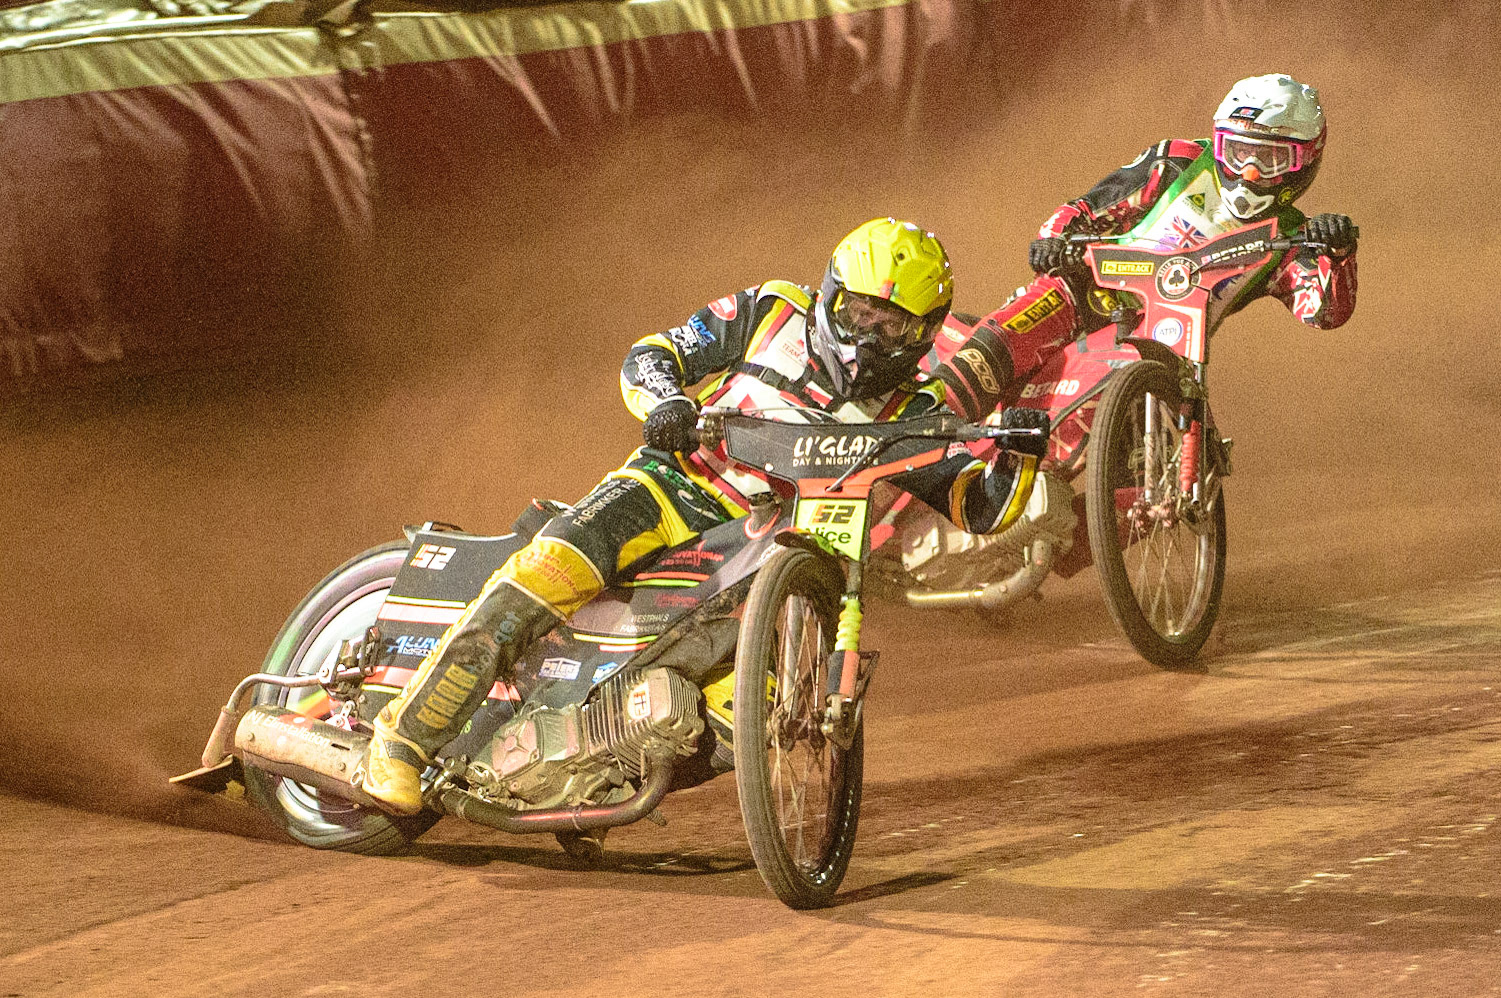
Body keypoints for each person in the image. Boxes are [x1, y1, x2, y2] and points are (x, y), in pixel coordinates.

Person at [355, 217, 1049, 814]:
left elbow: (976, 507)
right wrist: (664, 402)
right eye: (858, 314)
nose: (867, 336)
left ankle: (586, 767)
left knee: (740, 715)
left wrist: (1019, 453)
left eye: (889, 324)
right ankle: (402, 738)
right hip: (671, 487)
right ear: (832, 296)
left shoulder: (915, 412)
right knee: (544, 575)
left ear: (923, 334)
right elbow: (654, 353)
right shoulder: (773, 310)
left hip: (776, 549)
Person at [935, 73, 1359, 414]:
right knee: (1000, 343)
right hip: (1084, 293)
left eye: (1269, 159)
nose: (1247, 172)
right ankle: (928, 416)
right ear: (1218, 144)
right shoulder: (1178, 161)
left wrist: (1336, 254)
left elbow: (1324, 311)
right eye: (1236, 152)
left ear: (1304, 162)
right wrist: (1054, 241)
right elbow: (1090, 206)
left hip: (1164, 353)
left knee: (1133, 458)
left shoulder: (1293, 238)